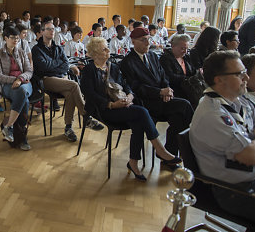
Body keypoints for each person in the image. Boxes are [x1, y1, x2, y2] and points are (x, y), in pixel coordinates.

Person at [189, 50, 255, 231]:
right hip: (239, 191)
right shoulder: (212, 114)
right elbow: (250, 156)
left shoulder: (240, 101)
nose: (246, 77)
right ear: (219, 79)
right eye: (239, 74)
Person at [81, 37, 181, 181]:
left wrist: (129, 96)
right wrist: (111, 105)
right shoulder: (89, 70)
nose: (109, 50)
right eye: (104, 49)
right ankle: (159, 149)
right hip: (103, 109)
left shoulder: (113, 66)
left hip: (122, 104)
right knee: (142, 112)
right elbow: (90, 94)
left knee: (139, 121)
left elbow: (126, 86)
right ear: (95, 54)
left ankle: (133, 163)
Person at [120, 27, 193, 157]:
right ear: (133, 41)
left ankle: (170, 153)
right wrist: (160, 92)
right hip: (146, 102)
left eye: (149, 39)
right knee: (185, 105)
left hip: (161, 99)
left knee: (178, 119)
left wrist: (168, 90)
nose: (148, 43)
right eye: (143, 40)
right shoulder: (128, 62)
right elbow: (137, 88)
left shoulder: (152, 55)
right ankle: (191, 148)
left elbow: (163, 76)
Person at [32, 21, 104, 142]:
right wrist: (57, 64)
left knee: (71, 93)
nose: (51, 31)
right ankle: (86, 116)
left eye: (53, 29)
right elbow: (44, 68)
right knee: (74, 84)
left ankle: (68, 128)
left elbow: (66, 65)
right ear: (42, 31)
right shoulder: (36, 49)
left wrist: (54, 65)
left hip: (62, 78)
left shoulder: (58, 48)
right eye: (48, 29)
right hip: (47, 80)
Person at [0, 27, 34, 150]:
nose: (15, 40)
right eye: (12, 38)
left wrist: (20, 79)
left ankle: (9, 127)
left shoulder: (21, 52)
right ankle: (23, 139)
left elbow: (29, 71)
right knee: (24, 99)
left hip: (24, 83)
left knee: (22, 91)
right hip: (7, 85)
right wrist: (14, 80)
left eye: (17, 38)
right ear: (5, 38)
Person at [159, 34, 196, 102]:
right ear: (173, 46)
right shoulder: (165, 58)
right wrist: (188, 79)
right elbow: (170, 77)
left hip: (189, 88)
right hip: (175, 90)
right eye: (182, 48)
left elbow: (193, 72)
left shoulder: (187, 58)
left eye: (187, 49)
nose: (185, 51)